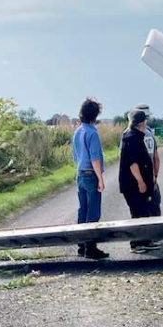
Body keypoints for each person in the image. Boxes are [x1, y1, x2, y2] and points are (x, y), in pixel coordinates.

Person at [72, 97, 109, 259]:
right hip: (90, 174)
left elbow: (75, 156)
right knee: (93, 211)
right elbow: (95, 158)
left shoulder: (77, 131)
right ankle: (90, 247)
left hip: (80, 174)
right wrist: (100, 178)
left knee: (83, 209)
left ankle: (81, 244)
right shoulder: (92, 133)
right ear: (95, 115)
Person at [120, 110, 157, 254]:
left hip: (137, 183)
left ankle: (145, 240)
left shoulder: (135, 135)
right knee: (137, 213)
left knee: (144, 212)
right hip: (132, 184)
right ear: (142, 122)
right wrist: (140, 181)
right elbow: (133, 163)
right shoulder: (131, 137)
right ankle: (136, 243)